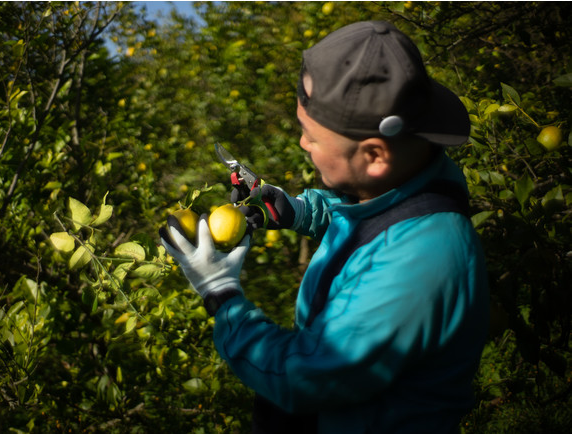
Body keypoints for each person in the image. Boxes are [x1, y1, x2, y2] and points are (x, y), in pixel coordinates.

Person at [160, 20, 489, 434]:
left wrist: (222, 297)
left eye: (311, 136)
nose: (302, 144)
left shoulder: (423, 263)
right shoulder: (404, 184)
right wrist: (297, 211)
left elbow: (307, 378)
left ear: (374, 155)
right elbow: (371, 218)